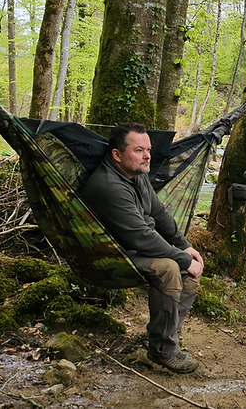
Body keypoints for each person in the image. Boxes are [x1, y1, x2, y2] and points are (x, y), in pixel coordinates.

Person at [79, 122, 204, 373]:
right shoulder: (109, 186)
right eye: (139, 150)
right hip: (110, 256)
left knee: (189, 274)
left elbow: (159, 214)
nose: (147, 155)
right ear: (117, 155)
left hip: (133, 248)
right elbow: (141, 237)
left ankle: (168, 339)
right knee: (169, 268)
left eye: (148, 149)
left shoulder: (138, 174)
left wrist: (184, 246)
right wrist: (180, 258)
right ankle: (162, 351)